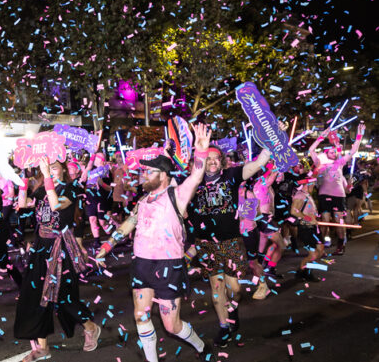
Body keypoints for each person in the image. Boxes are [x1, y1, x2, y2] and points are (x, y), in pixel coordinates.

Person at [97, 124, 214, 362]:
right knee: (141, 315)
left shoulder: (176, 195)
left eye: (149, 172)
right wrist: (107, 246)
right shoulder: (143, 200)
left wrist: (201, 151)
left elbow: (196, 177)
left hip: (168, 265)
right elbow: (128, 224)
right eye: (144, 172)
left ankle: (201, 346)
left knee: (171, 325)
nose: (144, 176)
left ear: (163, 174)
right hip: (142, 264)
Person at [188, 140, 273, 348]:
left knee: (235, 289)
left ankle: (233, 308)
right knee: (217, 289)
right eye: (208, 158)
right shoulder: (193, 181)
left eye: (216, 158)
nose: (212, 162)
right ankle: (224, 326)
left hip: (231, 242)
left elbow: (259, 162)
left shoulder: (232, 175)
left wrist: (271, 137)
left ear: (222, 161)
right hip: (206, 244)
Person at [14, 156, 101, 362]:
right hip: (41, 247)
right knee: (36, 295)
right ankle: (43, 348)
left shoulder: (70, 189)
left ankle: (90, 327)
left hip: (60, 248)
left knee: (63, 297)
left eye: (54, 168)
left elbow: (55, 206)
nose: (51, 171)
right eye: (48, 168)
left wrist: (46, 177)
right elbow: (22, 203)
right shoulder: (41, 190)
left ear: (62, 169)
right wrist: (23, 177)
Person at [308, 123, 365, 255]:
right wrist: (321, 137)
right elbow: (311, 150)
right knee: (324, 222)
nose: (334, 154)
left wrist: (359, 135)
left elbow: (353, 151)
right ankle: (321, 247)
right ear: (326, 153)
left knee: (339, 223)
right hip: (324, 195)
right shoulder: (320, 163)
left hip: (339, 196)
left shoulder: (340, 163)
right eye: (331, 152)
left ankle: (341, 245)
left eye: (335, 152)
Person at [290, 178, 324, 282]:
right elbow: (293, 211)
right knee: (314, 254)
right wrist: (309, 219)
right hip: (305, 228)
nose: (314, 186)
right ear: (306, 184)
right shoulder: (300, 195)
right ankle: (301, 271)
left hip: (314, 228)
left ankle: (307, 271)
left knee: (320, 251)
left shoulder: (307, 194)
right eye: (312, 184)